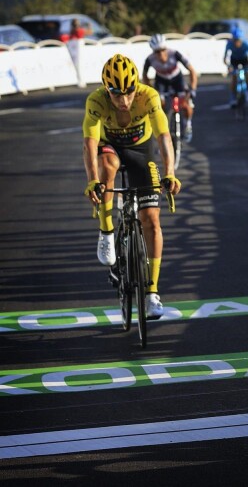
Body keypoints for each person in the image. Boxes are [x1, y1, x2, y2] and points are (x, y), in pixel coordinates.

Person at [82, 54, 182, 319]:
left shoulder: (147, 96)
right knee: (107, 166)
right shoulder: (96, 101)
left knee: (151, 221)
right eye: (116, 95)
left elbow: (163, 136)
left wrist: (170, 172)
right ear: (106, 90)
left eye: (128, 93)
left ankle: (152, 293)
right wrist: (92, 180)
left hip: (141, 149)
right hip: (110, 147)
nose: (124, 101)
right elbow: (90, 143)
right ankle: (106, 233)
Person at [142, 34, 198, 141]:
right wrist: (150, 90)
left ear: (166, 48)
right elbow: (144, 76)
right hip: (161, 81)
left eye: (163, 50)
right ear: (153, 52)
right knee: (159, 105)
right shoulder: (150, 59)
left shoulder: (175, 54)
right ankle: (162, 133)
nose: (161, 54)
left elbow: (192, 70)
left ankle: (188, 125)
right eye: (157, 52)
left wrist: (193, 89)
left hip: (177, 80)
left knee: (186, 104)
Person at [223, 26, 248, 106]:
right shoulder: (229, 44)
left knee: (247, 74)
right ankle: (233, 97)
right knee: (234, 78)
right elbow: (224, 58)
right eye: (235, 40)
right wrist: (229, 66)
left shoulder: (245, 44)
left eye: (238, 40)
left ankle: (247, 90)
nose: (237, 43)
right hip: (234, 60)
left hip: (244, 59)